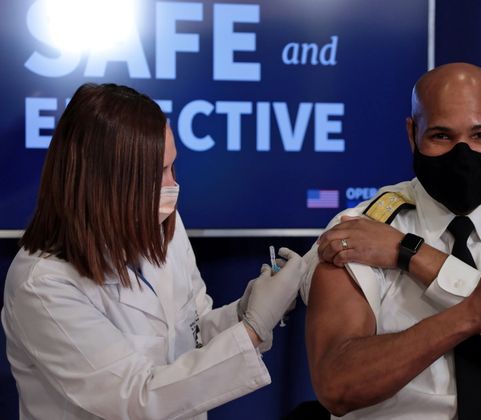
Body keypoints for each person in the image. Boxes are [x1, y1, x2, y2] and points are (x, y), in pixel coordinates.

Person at [1, 83, 307, 420]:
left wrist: (244, 314)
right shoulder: (42, 284)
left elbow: (190, 336)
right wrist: (251, 331)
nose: (173, 184)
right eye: (158, 172)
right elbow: (135, 398)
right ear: (106, 181)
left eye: (172, 166)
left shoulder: (163, 228)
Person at [304, 63, 481, 419]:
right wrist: (469, 315)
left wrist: (409, 253)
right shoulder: (359, 230)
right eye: (441, 136)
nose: (463, 155)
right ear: (413, 134)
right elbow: (339, 385)